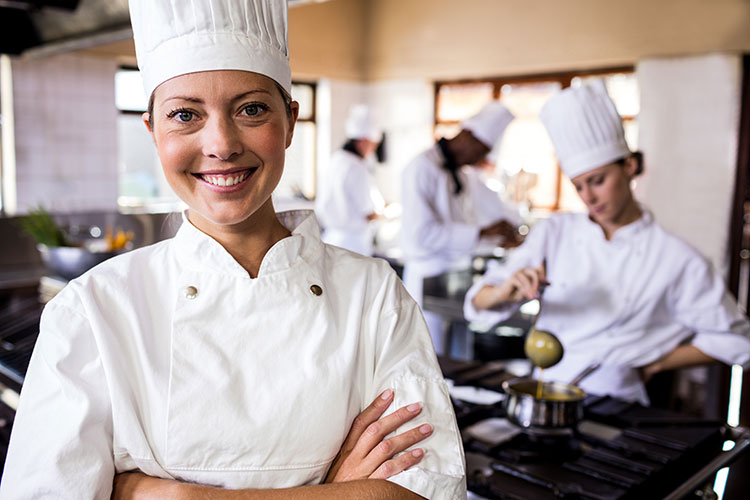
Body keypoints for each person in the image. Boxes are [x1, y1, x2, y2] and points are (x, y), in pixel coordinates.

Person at [0, 1, 466, 499]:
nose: (221, 143)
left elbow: (425, 490)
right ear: (153, 130)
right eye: (184, 114)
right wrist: (337, 491)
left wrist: (168, 494)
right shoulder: (92, 309)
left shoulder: (374, 295)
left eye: (251, 109)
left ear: (290, 121)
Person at [464, 80, 750, 405]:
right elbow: (477, 304)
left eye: (598, 181)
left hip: (617, 401)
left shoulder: (676, 257)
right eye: (579, 186)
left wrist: (654, 363)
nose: (589, 197)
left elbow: (738, 340)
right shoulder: (555, 232)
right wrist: (504, 291)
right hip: (547, 392)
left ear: (629, 167)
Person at [400, 101, 521, 354]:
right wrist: (484, 233)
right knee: (429, 356)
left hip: (456, 275)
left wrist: (495, 237)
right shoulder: (421, 168)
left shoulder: (462, 174)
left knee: (459, 351)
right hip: (427, 278)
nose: (481, 159)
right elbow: (423, 234)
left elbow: (463, 227)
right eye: (481, 150)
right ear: (467, 136)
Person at [315, 104, 384, 255]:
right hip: (353, 244)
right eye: (373, 146)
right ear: (364, 141)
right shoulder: (357, 167)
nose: (372, 150)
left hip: (331, 239)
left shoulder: (336, 159)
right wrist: (385, 214)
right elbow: (368, 211)